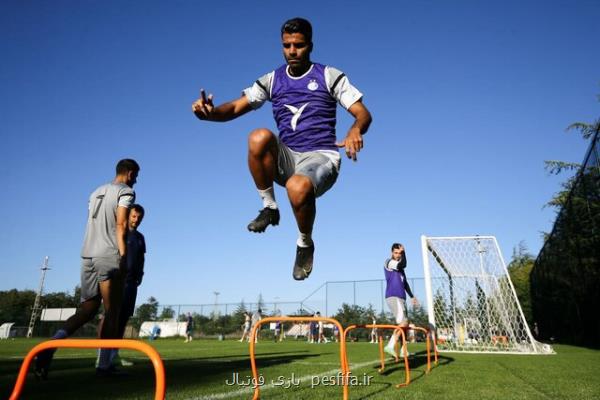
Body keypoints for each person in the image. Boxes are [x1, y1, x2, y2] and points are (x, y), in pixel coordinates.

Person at [192, 17, 372, 280]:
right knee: (258, 136)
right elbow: (234, 108)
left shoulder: (329, 75)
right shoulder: (273, 79)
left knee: (297, 186)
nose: (292, 51)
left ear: (309, 45)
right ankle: (269, 208)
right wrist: (210, 114)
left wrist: (356, 128)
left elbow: (363, 114)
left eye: (298, 45)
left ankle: (304, 243)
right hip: (288, 157)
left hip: (321, 157)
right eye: (286, 45)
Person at [35, 159, 140, 379]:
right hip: (108, 254)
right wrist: (122, 255)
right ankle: (104, 366)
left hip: (87, 254)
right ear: (130, 173)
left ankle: (50, 347)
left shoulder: (95, 192)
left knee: (87, 310)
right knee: (113, 311)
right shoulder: (126, 192)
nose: (136, 180)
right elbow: (121, 224)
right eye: (136, 175)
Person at [97, 203, 146, 367]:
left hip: (132, 283)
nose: (136, 219)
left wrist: (140, 275)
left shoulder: (140, 238)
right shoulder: (120, 233)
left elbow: (141, 258)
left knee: (123, 318)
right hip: (118, 281)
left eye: (139, 217)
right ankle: (101, 355)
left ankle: (114, 354)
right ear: (128, 216)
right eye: (134, 216)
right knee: (110, 316)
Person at [383, 243, 418, 357]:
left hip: (401, 298)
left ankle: (404, 351)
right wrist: (404, 252)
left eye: (400, 253)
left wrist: (412, 296)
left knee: (404, 326)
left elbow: (405, 283)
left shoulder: (401, 270)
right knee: (404, 322)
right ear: (392, 253)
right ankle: (390, 345)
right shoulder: (389, 262)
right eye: (396, 253)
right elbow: (403, 264)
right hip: (393, 296)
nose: (398, 255)